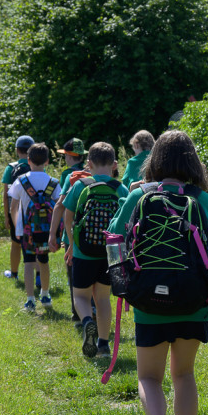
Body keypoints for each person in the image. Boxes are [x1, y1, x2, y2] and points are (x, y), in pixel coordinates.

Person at [108, 130, 208, 415]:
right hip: (193, 302)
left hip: (148, 303)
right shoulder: (202, 200)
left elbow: (115, 241)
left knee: (148, 376)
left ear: (154, 159)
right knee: (184, 374)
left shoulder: (137, 196)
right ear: (193, 160)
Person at [51, 142, 125, 358]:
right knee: (102, 299)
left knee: (81, 297)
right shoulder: (119, 188)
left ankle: (86, 322)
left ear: (89, 163)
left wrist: (71, 243)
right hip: (107, 254)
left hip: (83, 251)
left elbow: (68, 213)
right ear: (114, 164)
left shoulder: (80, 185)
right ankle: (103, 345)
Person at [7, 143, 59, 312]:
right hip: (45, 231)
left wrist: (18, 228)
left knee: (28, 263)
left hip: (27, 232)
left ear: (28, 160)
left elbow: (13, 208)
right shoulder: (53, 182)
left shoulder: (20, 181)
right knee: (43, 261)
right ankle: (45, 294)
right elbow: (59, 207)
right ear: (47, 162)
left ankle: (30, 300)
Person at [56, 138, 88, 321]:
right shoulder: (90, 171)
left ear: (69, 156)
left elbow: (63, 203)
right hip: (91, 230)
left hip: (72, 230)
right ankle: (92, 306)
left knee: (73, 273)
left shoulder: (68, 174)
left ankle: (77, 313)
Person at [2, 135, 34, 281]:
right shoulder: (36, 166)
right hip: (34, 212)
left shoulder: (10, 168)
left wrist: (6, 216)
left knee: (15, 244)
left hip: (15, 212)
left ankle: (14, 273)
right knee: (35, 244)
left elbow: (5, 195)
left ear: (17, 150)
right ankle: (38, 277)